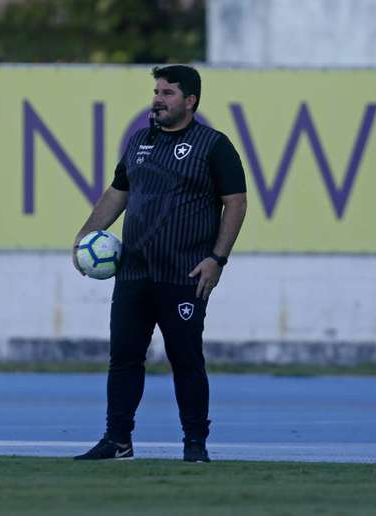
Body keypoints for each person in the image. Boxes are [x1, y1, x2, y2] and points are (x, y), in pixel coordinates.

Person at [72, 65, 247, 462]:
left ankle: (195, 444)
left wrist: (217, 259)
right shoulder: (139, 142)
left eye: (168, 93)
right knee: (124, 358)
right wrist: (84, 237)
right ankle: (117, 440)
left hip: (183, 273)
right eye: (156, 91)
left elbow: (235, 203)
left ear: (190, 101)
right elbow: (118, 193)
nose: (158, 99)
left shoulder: (213, 145)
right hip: (134, 272)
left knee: (186, 360)